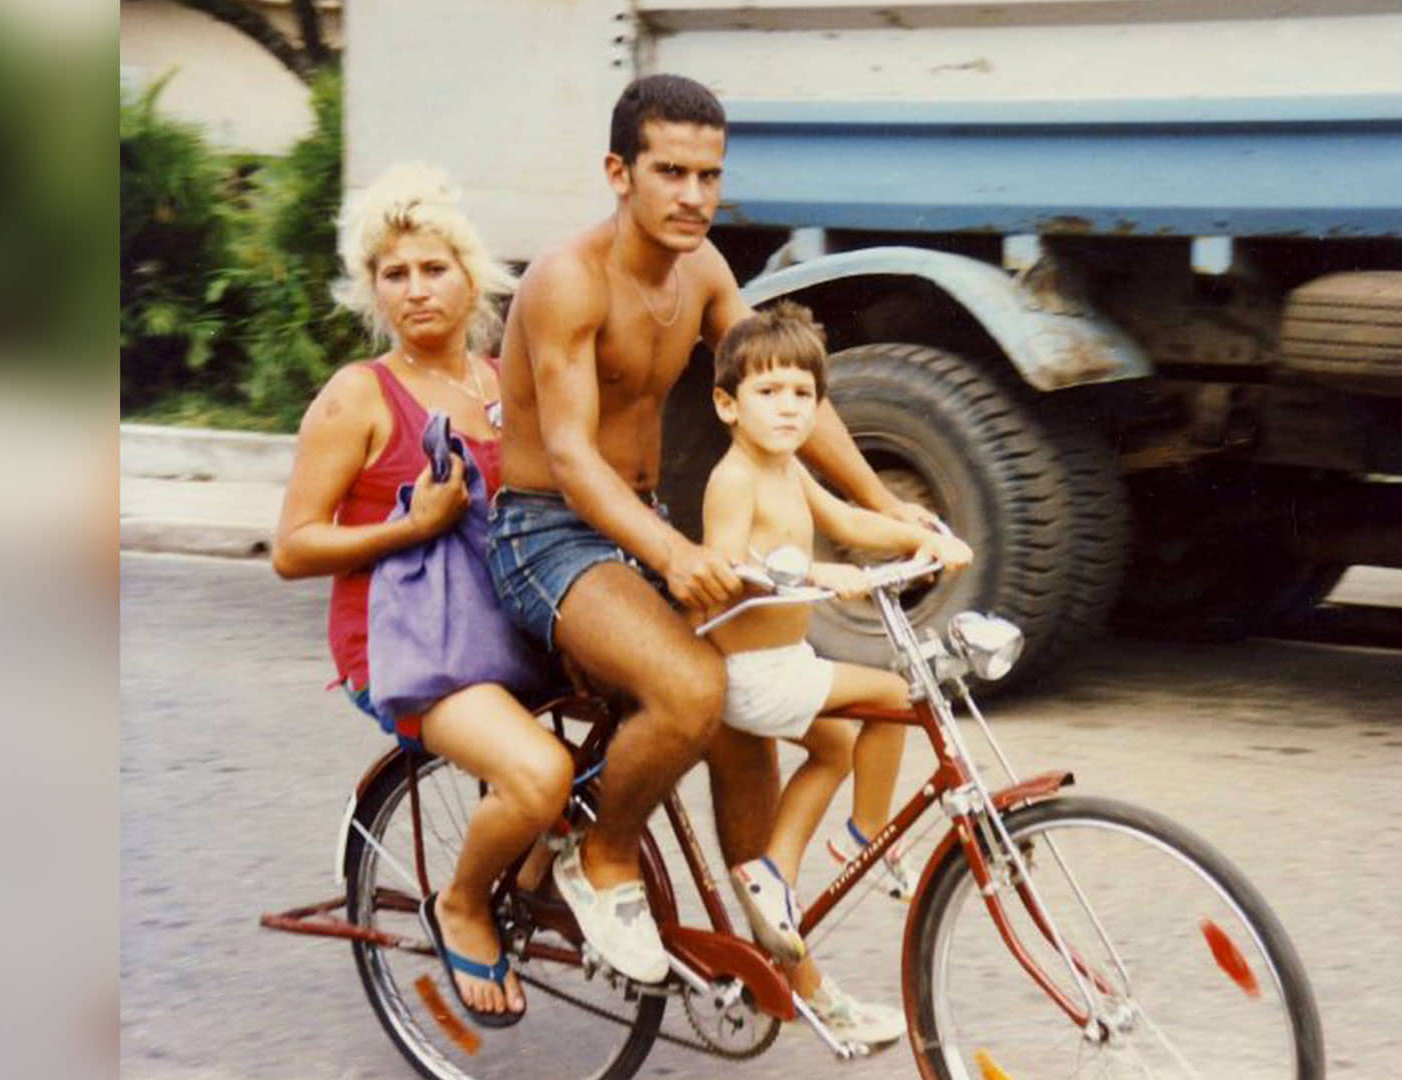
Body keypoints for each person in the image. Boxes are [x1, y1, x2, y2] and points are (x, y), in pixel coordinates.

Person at [486, 73, 935, 1008]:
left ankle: (778, 955)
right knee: (694, 687)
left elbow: (792, 401)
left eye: (710, 175)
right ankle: (600, 857)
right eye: (671, 172)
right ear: (620, 172)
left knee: (747, 715)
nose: (694, 196)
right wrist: (672, 553)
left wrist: (883, 508)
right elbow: (568, 456)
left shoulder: (706, 274)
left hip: (639, 517)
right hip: (545, 533)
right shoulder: (569, 281)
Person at [273, 163, 570, 1026]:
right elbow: (293, 548)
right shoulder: (357, 396)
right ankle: (464, 905)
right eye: (392, 274)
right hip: (404, 644)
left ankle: (534, 875)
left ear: (470, 275)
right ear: (372, 291)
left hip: (500, 628)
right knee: (540, 771)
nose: (415, 290)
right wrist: (409, 526)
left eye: (432, 268)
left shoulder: (495, 380)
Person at [697, 302, 974, 1041]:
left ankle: (773, 876)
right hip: (750, 667)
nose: (788, 408)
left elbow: (852, 523)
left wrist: (920, 533)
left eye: (802, 395)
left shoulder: (787, 469)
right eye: (768, 393)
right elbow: (730, 568)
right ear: (728, 405)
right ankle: (865, 832)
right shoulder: (736, 479)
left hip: (786, 660)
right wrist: (823, 576)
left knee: (839, 745)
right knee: (888, 693)